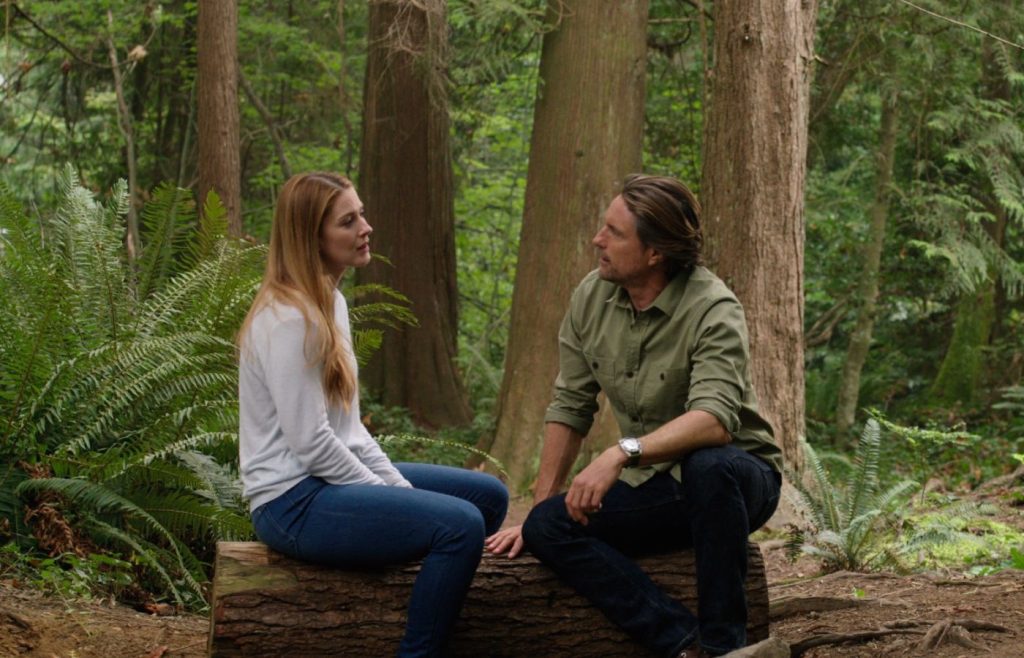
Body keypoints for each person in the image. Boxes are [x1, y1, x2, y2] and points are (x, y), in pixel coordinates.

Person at [485, 174, 782, 657]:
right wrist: (541, 507)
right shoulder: (590, 297)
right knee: (547, 528)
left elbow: (714, 421)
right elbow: (570, 404)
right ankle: (685, 646)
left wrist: (622, 453)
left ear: (655, 253)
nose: (597, 240)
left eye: (614, 233)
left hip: (740, 480)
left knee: (709, 465)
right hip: (661, 489)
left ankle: (728, 645)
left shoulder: (713, 307)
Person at [238, 172, 508, 658]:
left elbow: (351, 433)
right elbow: (311, 443)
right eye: (348, 221)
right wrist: (389, 495)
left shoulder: (331, 302)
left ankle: (413, 598)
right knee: (461, 525)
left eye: (361, 213)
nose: (366, 227)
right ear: (311, 238)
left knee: (486, 498)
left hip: (327, 483)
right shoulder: (287, 318)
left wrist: (400, 494)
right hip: (290, 502)